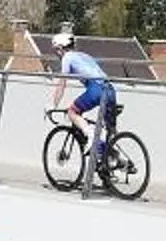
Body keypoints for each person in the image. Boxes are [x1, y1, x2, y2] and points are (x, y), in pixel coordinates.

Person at [50, 30, 119, 191]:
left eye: (55, 51)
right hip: (110, 90)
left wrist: (53, 105)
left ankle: (91, 136)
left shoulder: (67, 57)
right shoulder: (84, 55)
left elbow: (62, 83)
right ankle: (115, 161)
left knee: (72, 112)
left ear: (60, 48)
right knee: (110, 130)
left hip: (96, 89)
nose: (56, 55)